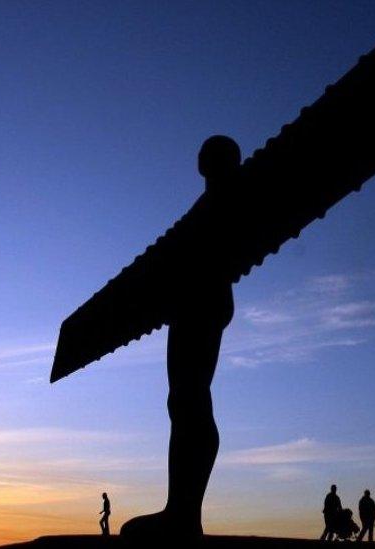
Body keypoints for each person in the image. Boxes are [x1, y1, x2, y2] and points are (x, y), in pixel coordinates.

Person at [119, 136, 240, 541]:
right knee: (183, 399)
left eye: (212, 154)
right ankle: (181, 508)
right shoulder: (208, 204)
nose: (203, 159)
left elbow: (210, 252)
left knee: (190, 397)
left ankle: (185, 513)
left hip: (203, 302)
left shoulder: (227, 198)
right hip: (193, 303)